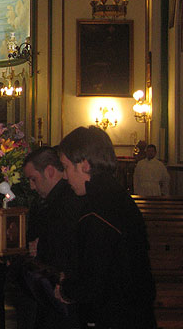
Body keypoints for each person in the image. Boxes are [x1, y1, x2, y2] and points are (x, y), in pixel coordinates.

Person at [55, 126, 157, 329]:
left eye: (66, 167)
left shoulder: (96, 210)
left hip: (116, 317)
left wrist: (65, 289)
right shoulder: (117, 196)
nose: (65, 177)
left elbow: (94, 282)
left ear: (84, 165)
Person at [20, 146, 83, 329]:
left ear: (49, 171)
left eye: (34, 179)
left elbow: (65, 247)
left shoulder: (67, 201)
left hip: (60, 294)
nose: (32, 186)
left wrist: (38, 248)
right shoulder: (50, 201)